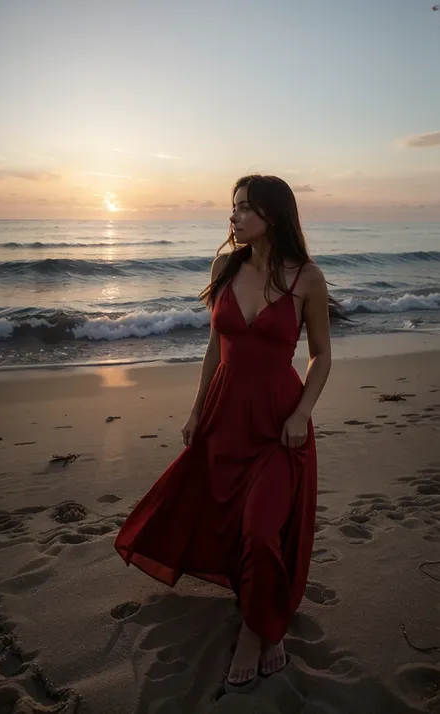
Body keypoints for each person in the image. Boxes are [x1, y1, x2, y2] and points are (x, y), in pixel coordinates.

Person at [114, 174, 332, 692]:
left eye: (244, 209)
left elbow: (321, 355)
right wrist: (195, 412)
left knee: (262, 529)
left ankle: (256, 635)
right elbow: (215, 350)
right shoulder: (224, 267)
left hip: (280, 422)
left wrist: (302, 413)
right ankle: (264, 617)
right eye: (233, 208)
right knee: (233, 524)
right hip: (224, 416)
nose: (233, 218)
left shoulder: (307, 278)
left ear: (272, 215)